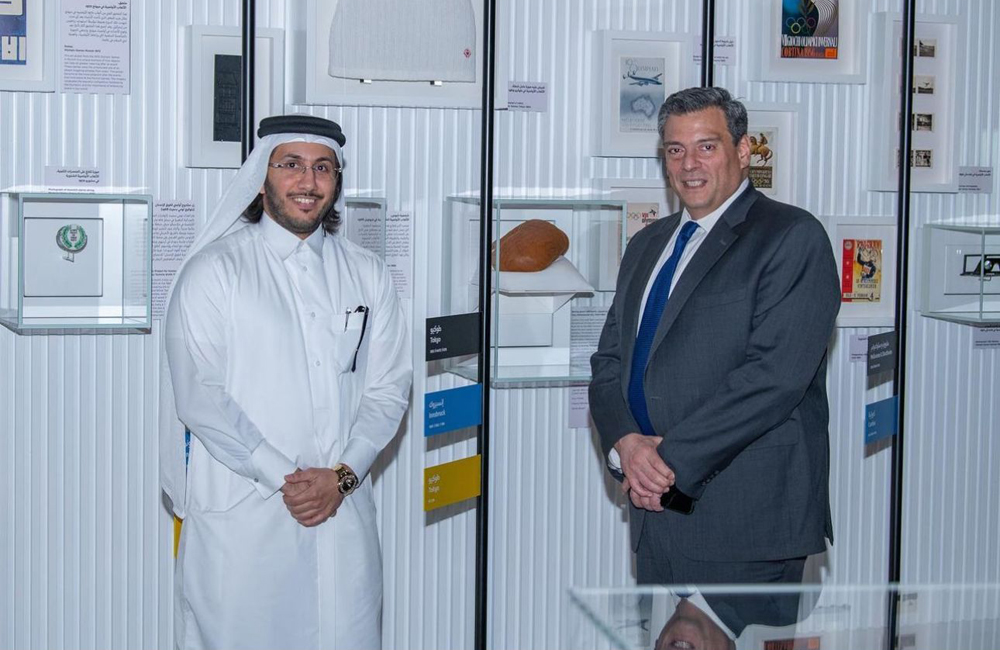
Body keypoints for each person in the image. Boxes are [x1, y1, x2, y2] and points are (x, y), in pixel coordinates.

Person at [160, 114, 412, 650]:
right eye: (291, 165)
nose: (308, 181)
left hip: (344, 517)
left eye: (323, 168)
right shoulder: (214, 272)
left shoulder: (369, 274)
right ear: (263, 175)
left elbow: (389, 389)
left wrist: (341, 478)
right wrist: (288, 478)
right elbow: (200, 397)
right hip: (245, 520)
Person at [589, 87, 839, 595]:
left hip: (745, 522)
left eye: (707, 146)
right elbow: (609, 361)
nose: (689, 164)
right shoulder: (647, 244)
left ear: (744, 151)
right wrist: (625, 446)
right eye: (675, 150)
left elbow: (773, 380)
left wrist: (663, 464)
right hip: (655, 518)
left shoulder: (791, 237)